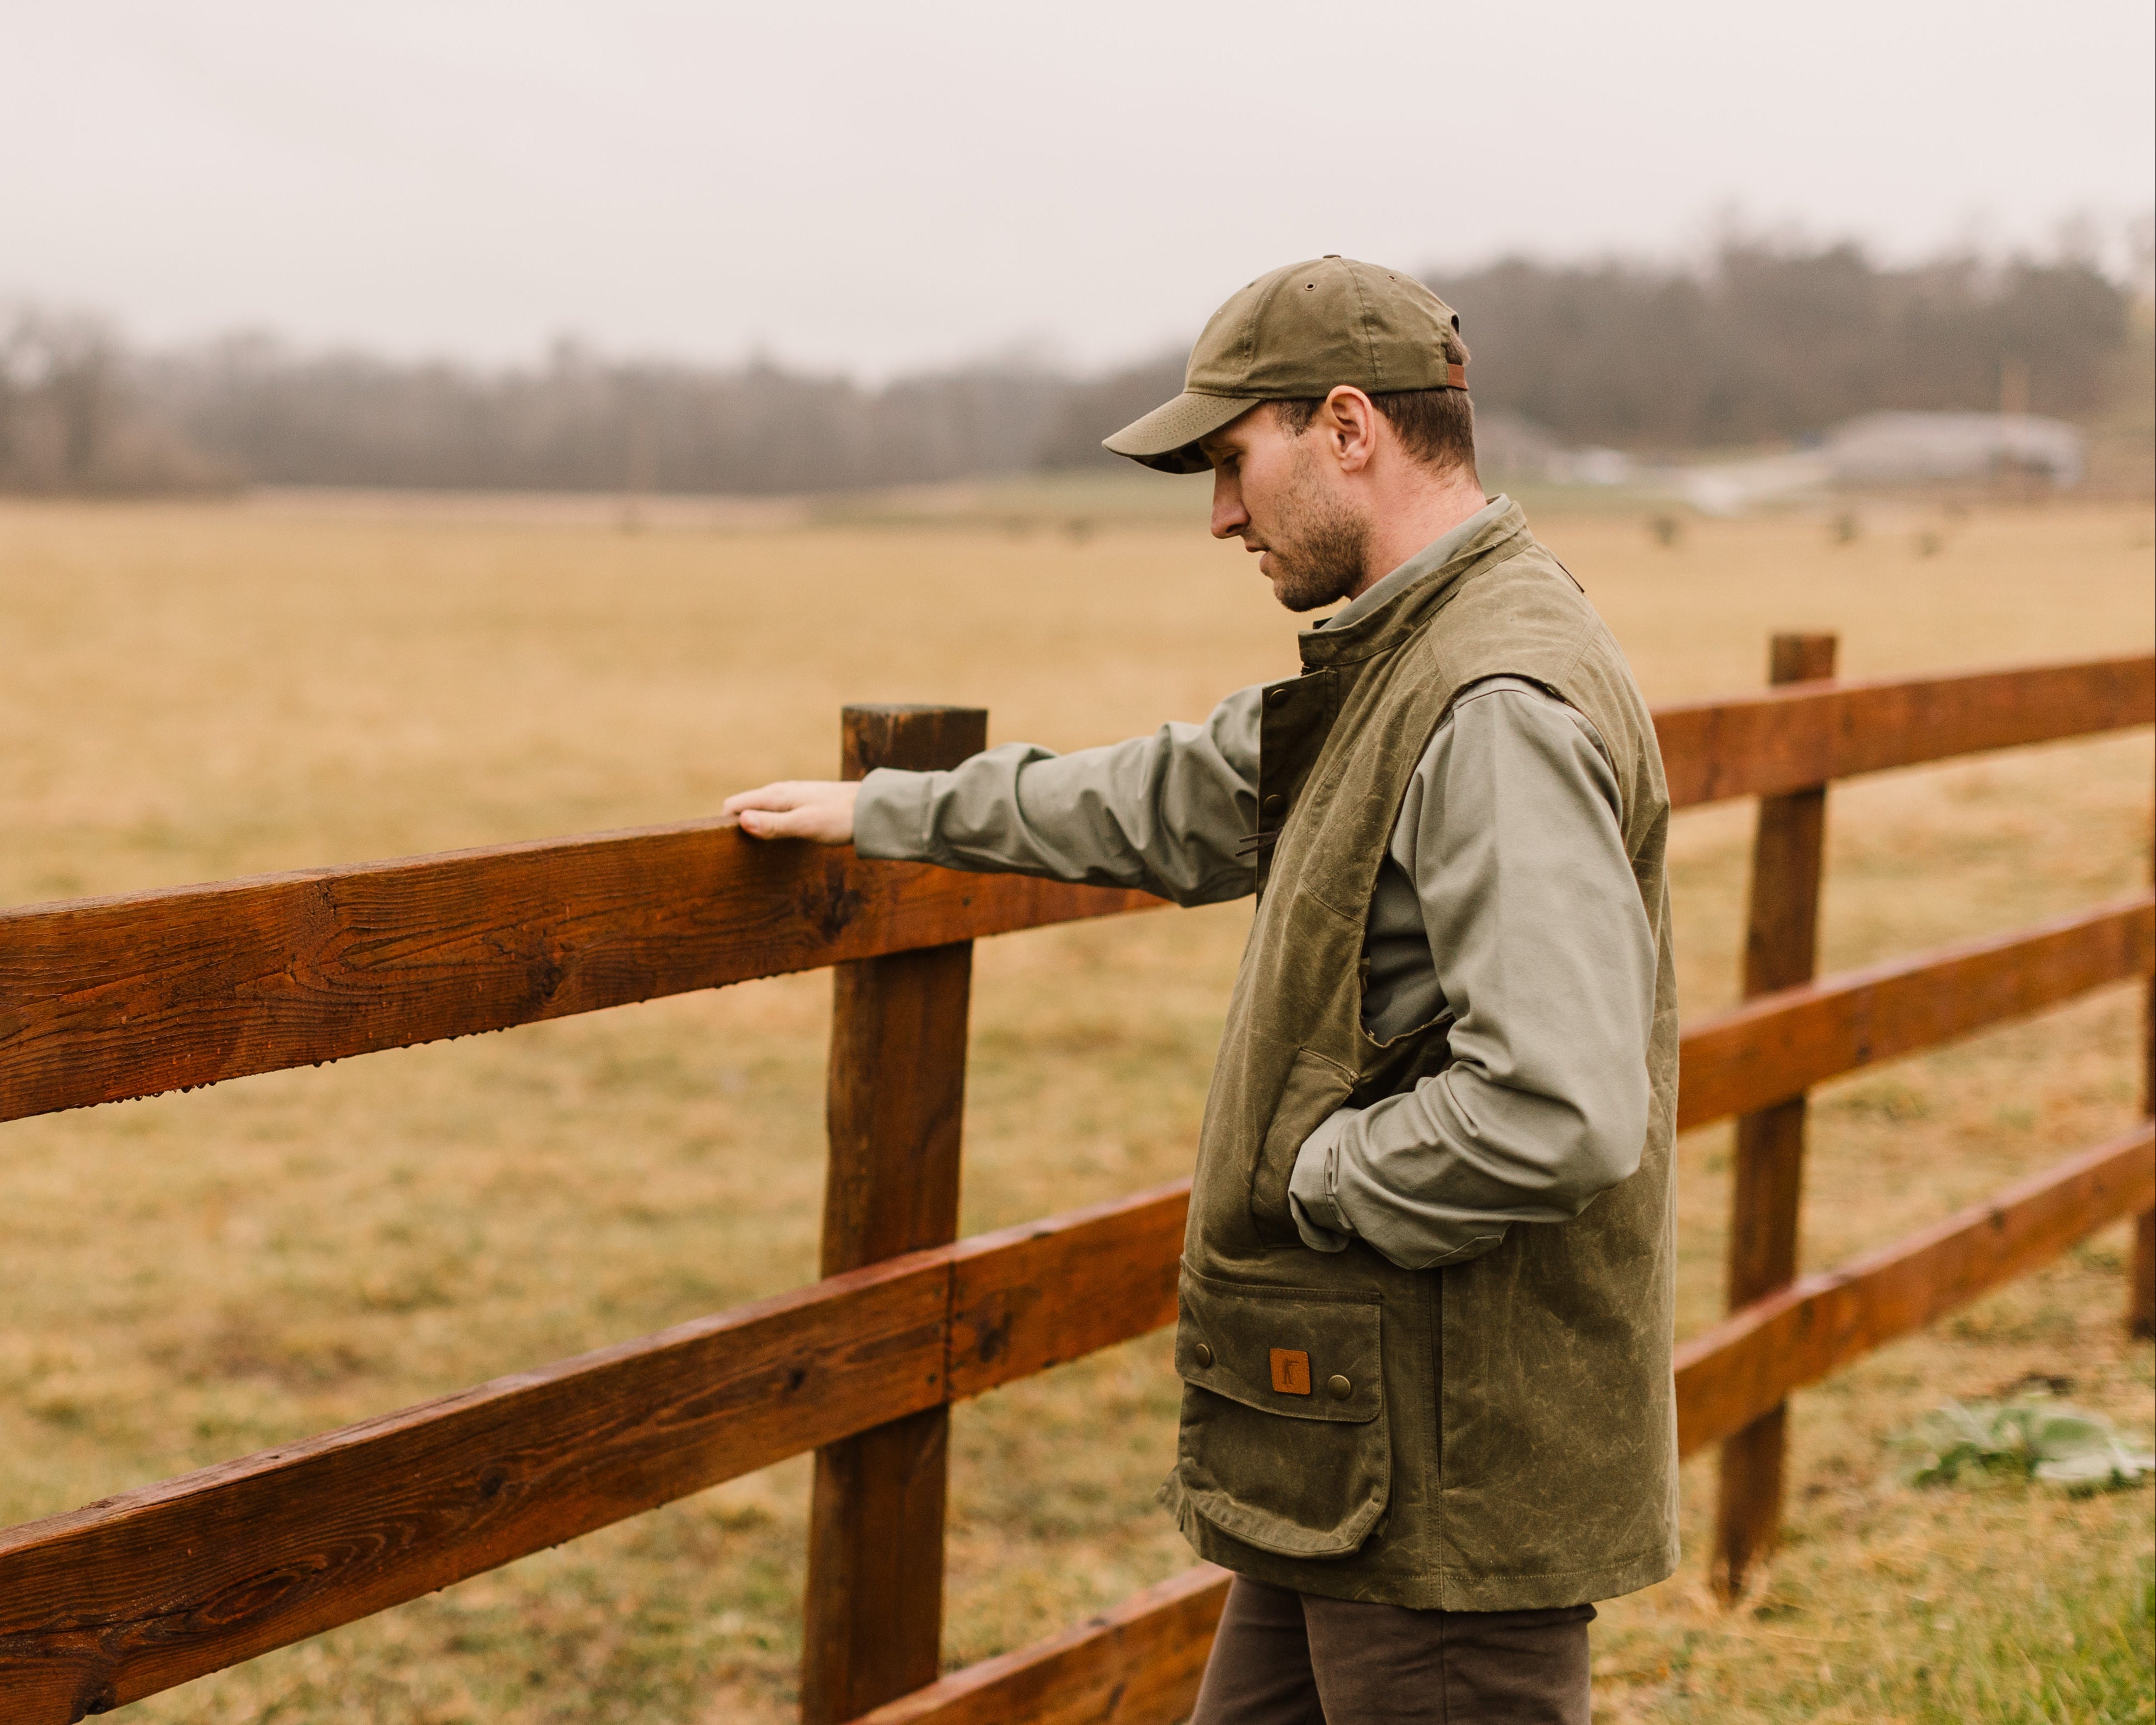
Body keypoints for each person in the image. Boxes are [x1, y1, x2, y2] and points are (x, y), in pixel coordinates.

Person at [725, 257, 1678, 1724]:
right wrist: (896, 812)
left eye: (1234, 461)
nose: (1220, 513)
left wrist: (1315, 1177)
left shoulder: (1491, 699)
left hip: (1451, 1473)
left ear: (1349, 427)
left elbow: (1558, 1105)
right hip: (1361, 1449)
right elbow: (1182, 797)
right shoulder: (1403, 657)